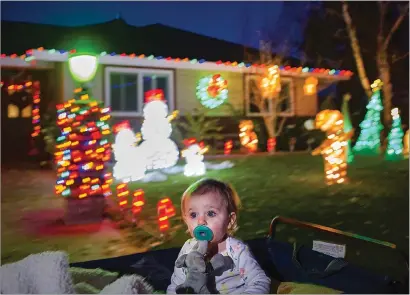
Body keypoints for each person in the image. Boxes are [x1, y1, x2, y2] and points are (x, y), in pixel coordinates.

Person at [167, 178, 271, 294]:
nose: (201, 221)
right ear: (186, 220)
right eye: (193, 214)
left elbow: (260, 281)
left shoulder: (236, 250)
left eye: (211, 213)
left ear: (230, 220)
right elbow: (176, 284)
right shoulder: (188, 249)